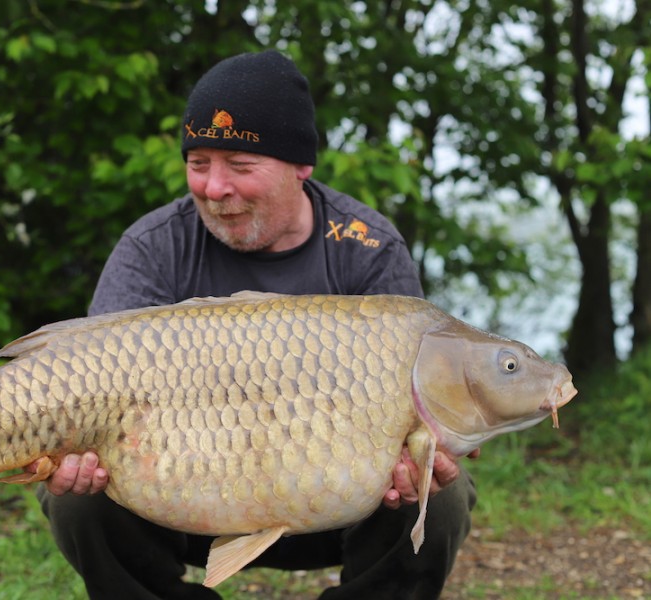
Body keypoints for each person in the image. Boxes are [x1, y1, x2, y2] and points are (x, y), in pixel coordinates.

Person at [34, 50, 477, 599]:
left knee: (439, 495)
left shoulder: (367, 250)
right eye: (199, 163)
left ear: (301, 166)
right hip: (182, 498)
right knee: (78, 498)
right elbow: (86, 391)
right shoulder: (154, 249)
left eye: (240, 166)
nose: (215, 188)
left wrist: (423, 454)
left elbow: (418, 407)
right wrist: (66, 455)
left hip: (335, 501)